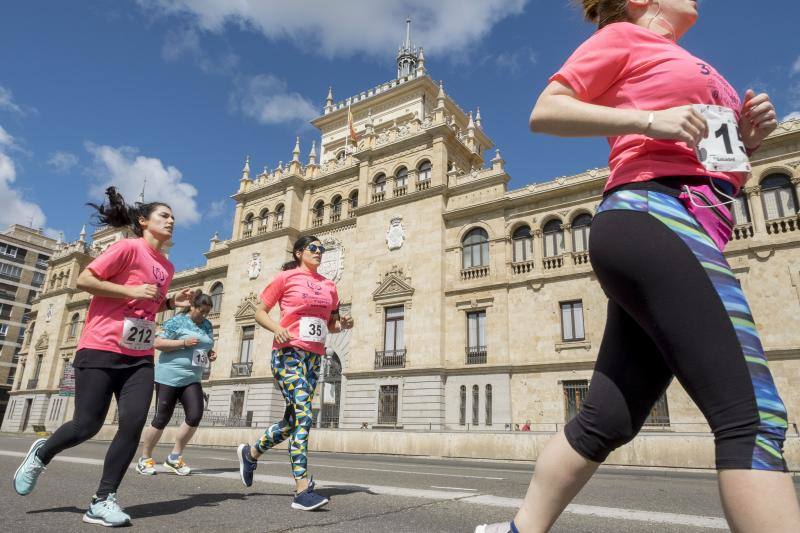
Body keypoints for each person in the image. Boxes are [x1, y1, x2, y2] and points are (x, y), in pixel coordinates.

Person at [476, 1, 800, 532]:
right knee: (755, 417)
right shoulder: (623, 37)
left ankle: (518, 531)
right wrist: (652, 120)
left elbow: (711, 163)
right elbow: (546, 109)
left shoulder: (684, 58)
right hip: (655, 215)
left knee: (607, 418)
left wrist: (747, 139)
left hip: (685, 224)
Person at [13, 187, 193, 527]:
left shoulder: (166, 266)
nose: (171, 221)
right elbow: (85, 278)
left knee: (133, 423)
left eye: (173, 217)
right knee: (87, 425)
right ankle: (42, 453)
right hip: (100, 347)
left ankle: (103, 499)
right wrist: (130, 290)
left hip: (138, 356)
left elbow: (144, 304)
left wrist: (170, 304)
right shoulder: (127, 247)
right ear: (143, 222)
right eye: (163, 215)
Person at [236, 235, 353, 511]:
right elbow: (259, 312)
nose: (319, 252)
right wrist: (276, 328)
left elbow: (331, 324)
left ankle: (250, 454)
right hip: (288, 354)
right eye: (313, 248)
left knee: (291, 422)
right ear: (299, 252)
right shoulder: (286, 278)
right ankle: (301, 488)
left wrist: (343, 323)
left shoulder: (329, 286)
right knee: (304, 415)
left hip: (314, 359)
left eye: (321, 249)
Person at [136, 291, 215, 476]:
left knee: (195, 415)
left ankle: (174, 457)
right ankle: (145, 458)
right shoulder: (177, 321)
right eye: (201, 311)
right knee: (162, 418)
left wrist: (211, 354)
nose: (203, 315)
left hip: (192, 378)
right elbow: (157, 342)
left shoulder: (207, 325)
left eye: (207, 312)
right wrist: (183, 343)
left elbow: (206, 346)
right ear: (192, 307)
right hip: (169, 377)